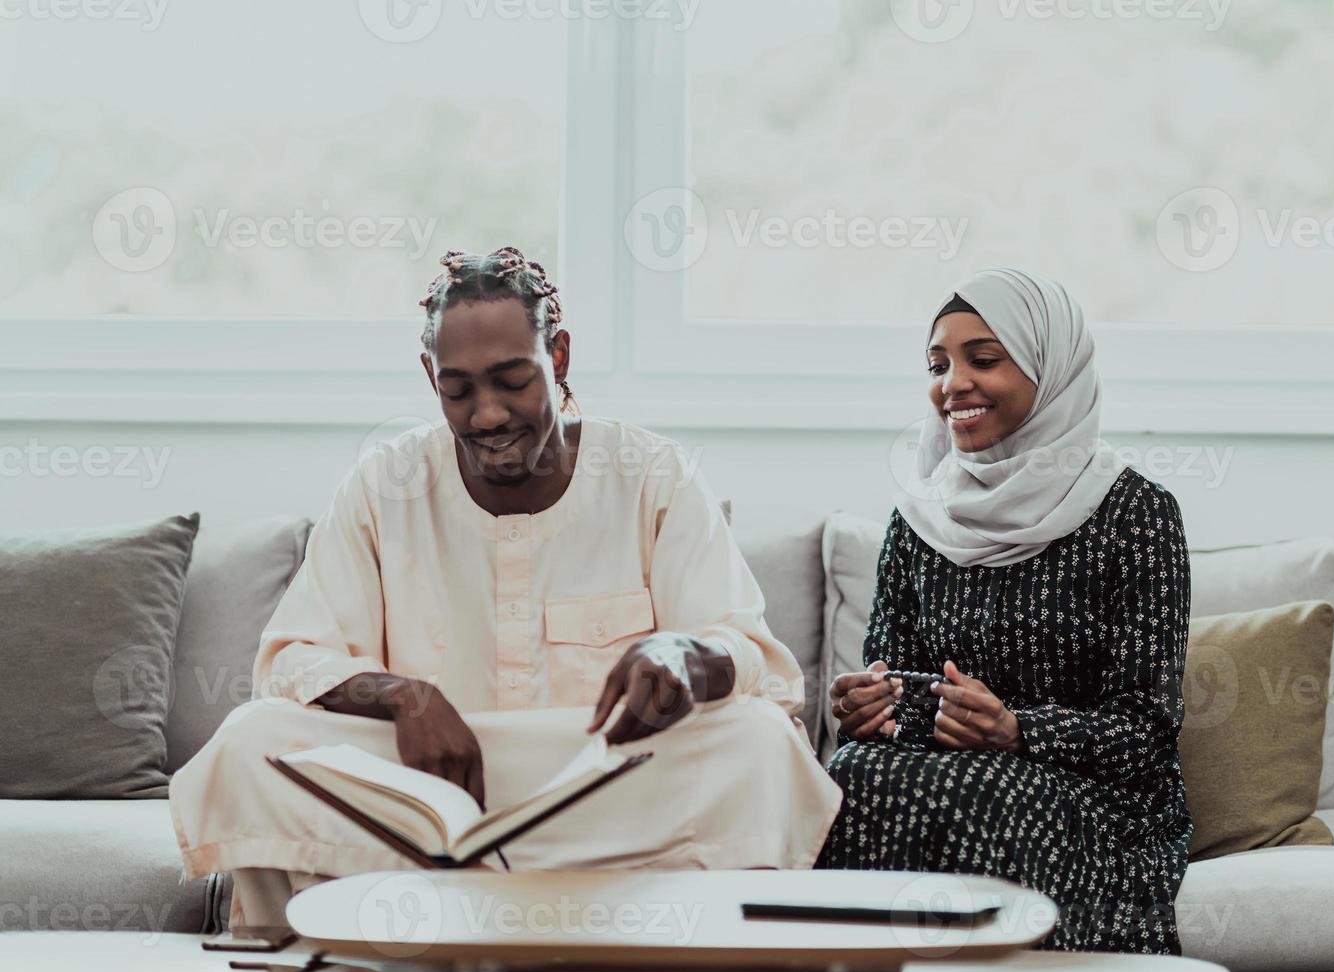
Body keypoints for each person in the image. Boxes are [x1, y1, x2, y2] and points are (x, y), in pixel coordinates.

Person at [170, 246, 840, 928]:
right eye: (458, 390)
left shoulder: (654, 474)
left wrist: (684, 656)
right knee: (255, 738)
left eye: (512, 381)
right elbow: (290, 662)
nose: (487, 415)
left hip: (603, 784)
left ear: (561, 357)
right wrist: (404, 697)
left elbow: (750, 654)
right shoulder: (384, 483)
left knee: (757, 739)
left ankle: (501, 899)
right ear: (430, 377)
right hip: (424, 788)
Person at [816, 269, 1192, 954]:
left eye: (982, 359)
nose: (951, 384)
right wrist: (874, 709)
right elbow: (895, 686)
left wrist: (1018, 731)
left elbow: (1146, 732)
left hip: (1090, 797)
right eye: (937, 365)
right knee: (848, 776)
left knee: (997, 795)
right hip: (948, 778)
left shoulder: (1136, 514)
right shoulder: (919, 520)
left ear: (1051, 371)